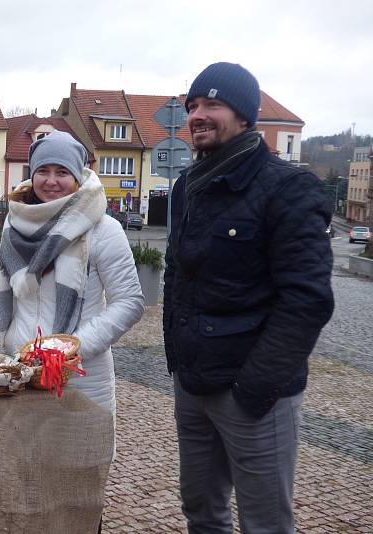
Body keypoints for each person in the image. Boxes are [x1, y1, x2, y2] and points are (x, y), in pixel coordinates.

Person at [163, 62, 334, 533]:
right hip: (194, 382)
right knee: (201, 512)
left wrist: (256, 387)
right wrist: (177, 359)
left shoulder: (288, 187)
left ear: (244, 116)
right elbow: (177, 274)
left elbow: (308, 299)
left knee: (265, 524)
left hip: (254, 393)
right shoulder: (186, 188)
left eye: (212, 104)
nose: (198, 114)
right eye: (192, 105)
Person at [0, 130, 144, 449]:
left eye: (62, 172)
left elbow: (129, 302)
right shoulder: (15, 222)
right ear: (31, 174)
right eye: (43, 171)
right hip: (20, 372)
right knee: (23, 478)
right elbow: (13, 289)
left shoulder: (103, 229)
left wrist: (68, 350)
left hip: (79, 377)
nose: (51, 180)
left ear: (78, 176)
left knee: (78, 480)